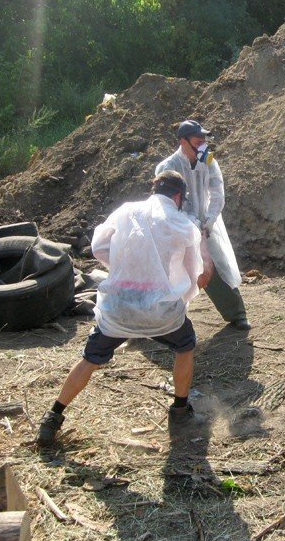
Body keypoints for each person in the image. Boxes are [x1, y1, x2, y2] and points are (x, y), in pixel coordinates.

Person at [36, 171, 207, 446]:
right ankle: (179, 410)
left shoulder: (126, 211)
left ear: (154, 190)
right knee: (185, 346)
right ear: (178, 196)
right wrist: (180, 299)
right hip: (161, 309)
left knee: (89, 360)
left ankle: (53, 417)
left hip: (118, 306)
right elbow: (192, 271)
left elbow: (99, 246)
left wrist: (122, 269)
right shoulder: (182, 223)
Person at [155, 119, 251, 330]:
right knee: (168, 271)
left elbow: (217, 193)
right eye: (197, 142)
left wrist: (207, 222)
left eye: (203, 142)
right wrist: (194, 226)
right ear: (183, 141)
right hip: (176, 226)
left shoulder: (208, 160)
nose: (202, 146)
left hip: (205, 224)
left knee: (215, 264)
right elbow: (169, 205)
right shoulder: (167, 167)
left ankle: (236, 314)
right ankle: (151, 320)